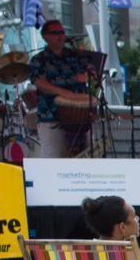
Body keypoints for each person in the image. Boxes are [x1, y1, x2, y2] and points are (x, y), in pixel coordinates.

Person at [29, 19, 105, 159]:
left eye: (62, 32)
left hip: (81, 118)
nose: (61, 35)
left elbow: (94, 73)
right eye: (56, 32)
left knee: (86, 158)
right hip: (51, 117)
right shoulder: (38, 60)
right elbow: (39, 82)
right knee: (53, 160)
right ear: (46, 36)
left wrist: (87, 75)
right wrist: (63, 92)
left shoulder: (76, 55)